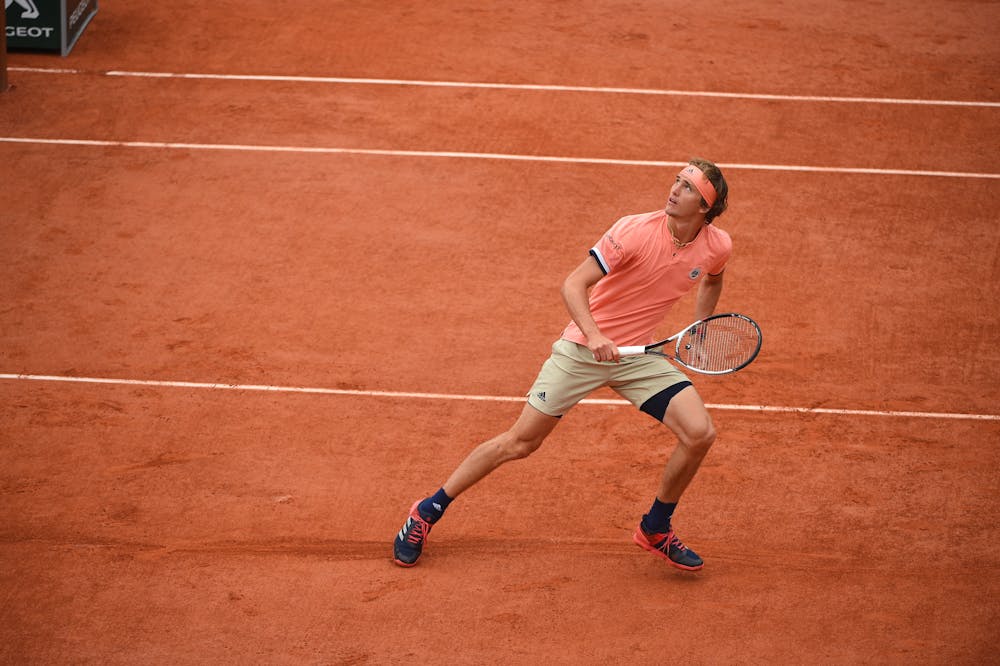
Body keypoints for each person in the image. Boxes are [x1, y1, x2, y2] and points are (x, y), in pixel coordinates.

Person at [393, 158, 732, 571]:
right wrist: (593, 336)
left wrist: (699, 325)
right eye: (676, 181)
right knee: (521, 442)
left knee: (700, 434)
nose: (674, 190)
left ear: (704, 208)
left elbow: (713, 278)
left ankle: (655, 528)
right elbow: (574, 283)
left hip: (638, 357)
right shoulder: (633, 231)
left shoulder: (717, 245)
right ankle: (426, 511)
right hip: (582, 352)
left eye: (687, 188)